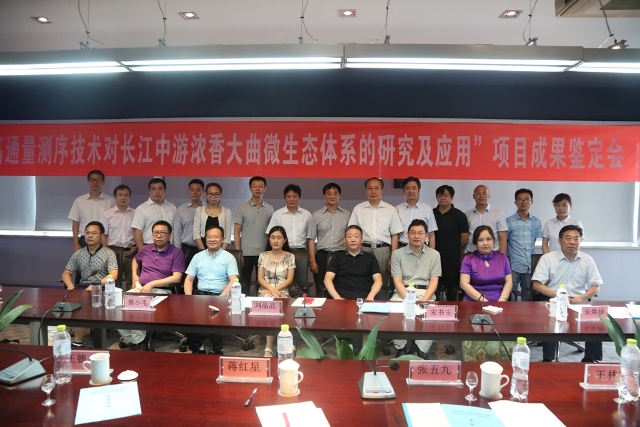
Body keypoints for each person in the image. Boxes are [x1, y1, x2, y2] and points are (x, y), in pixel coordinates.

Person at [532, 225, 603, 362]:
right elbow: (537, 284)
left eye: (576, 239)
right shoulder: (548, 258)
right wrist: (558, 296)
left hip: (578, 301)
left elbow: (596, 287)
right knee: (552, 319)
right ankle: (549, 359)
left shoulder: (587, 260)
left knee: (596, 320)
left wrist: (581, 298)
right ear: (560, 241)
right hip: (553, 299)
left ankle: (591, 360)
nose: (572, 242)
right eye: (568, 238)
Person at [119, 220, 185, 351]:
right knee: (117, 304)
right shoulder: (146, 249)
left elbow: (177, 278)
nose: (159, 236)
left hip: (162, 291)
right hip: (140, 287)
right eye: (156, 233)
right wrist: (134, 275)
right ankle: (133, 338)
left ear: (170, 235)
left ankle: (140, 342)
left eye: (163, 233)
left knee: (138, 305)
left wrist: (152, 284)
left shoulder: (177, 252)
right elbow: (135, 260)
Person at [61, 221, 118, 348]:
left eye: (94, 233)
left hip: (103, 288)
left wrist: (95, 285)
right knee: (77, 303)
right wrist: (70, 286)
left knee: (84, 304)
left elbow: (114, 275)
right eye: (87, 233)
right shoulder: (79, 253)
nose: (90, 236)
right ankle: (78, 342)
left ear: (101, 236)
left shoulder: (109, 253)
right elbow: (66, 273)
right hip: (81, 288)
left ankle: (84, 341)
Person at [183, 225, 238, 355]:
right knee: (188, 316)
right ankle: (197, 348)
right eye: (209, 236)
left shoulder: (229, 257)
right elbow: (189, 280)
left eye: (216, 237)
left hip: (220, 294)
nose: (212, 239)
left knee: (215, 316)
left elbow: (233, 280)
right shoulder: (197, 257)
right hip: (199, 295)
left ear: (222, 239)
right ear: (205, 238)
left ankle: (217, 349)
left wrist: (221, 298)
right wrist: (188, 297)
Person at [390, 219, 441, 358]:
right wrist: (408, 300)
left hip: (426, 293)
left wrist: (424, 300)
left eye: (420, 233)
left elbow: (434, 281)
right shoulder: (397, 254)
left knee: (433, 314)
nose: (416, 236)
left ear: (426, 236)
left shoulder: (434, 255)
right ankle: (400, 347)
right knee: (394, 310)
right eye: (413, 232)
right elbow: (397, 281)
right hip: (402, 293)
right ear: (408, 235)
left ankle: (418, 349)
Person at [348, 177, 403, 300]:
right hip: (363, 249)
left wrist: (392, 257)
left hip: (383, 250)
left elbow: (395, 235)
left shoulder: (390, 209)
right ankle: (362, 304)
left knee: (382, 280)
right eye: (370, 188)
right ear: (366, 191)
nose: (373, 191)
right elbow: (352, 230)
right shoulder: (358, 209)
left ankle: (381, 306)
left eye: (376, 188)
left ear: (382, 190)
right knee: (362, 279)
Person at [258, 226, 296, 357]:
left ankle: (286, 342)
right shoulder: (263, 256)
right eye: (273, 237)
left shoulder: (290, 256)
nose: (275, 241)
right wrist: (271, 290)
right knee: (268, 302)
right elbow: (260, 278)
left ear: (284, 240)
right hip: (265, 290)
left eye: (279, 238)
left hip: (283, 291)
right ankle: (269, 347)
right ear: (269, 239)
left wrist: (275, 290)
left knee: (279, 303)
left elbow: (289, 279)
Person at [309, 183, 350, 298]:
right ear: (324, 196)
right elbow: (311, 238)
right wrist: (312, 260)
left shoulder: (346, 214)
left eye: (335, 193)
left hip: (341, 255)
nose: (332, 196)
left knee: (340, 285)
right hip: (322, 256)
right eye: (329, 193)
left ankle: (340, 307)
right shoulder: (316, 215)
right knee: (321, 286)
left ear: (339, 196)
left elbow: (350, 236)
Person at [234, 176, 274, 296]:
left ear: (265, 189)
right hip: (246, 253)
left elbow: (273, 233)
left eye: (260, 186)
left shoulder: (270, 209)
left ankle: (260, 305)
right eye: (254, 186)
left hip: (264, 253)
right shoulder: (242, 208)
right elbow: (237, 231)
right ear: (250, 188)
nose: (257, 189)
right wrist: (239, 252)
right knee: (244, 284)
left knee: (262, 284)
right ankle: (243, 304)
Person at [324, 225, 382, 300]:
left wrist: (370, 297)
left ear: (362, 240)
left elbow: (378, 280)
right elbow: (327, 279)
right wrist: (337, 298)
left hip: (364, 298)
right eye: (349, 237)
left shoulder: (370, 258)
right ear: (345, 240)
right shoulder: (337, 257)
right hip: (341, 298)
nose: (353, 240)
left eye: (356, 236)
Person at [432, 185, 469, 302]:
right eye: (440, 195)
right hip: (434, 259)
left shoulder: (459, 215)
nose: (443, 198)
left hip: (453, 260)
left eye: (446, 195)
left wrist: (453, 248)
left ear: (452, 197)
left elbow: (464, 238)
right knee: (434, 290)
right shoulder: (431, 214)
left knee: (453, 292)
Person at [506, 188, 542, 301]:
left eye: (527, 199)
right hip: (513, 265)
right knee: (510, 294)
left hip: (529, 265)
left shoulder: (536, 221)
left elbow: (534, 241)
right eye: (520, 199)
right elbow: (505, 241)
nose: (523, 202)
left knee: (528, 296)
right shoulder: (508, 221)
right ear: (515, 202)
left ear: (532, 202)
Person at [460, 226, 513, 302]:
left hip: (499, 301)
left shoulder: (502, 258)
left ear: (493, 240)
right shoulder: (468, 259)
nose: (485, 243)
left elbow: (509, 281)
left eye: (488, 239)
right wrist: (483, 300)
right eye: (480, 240)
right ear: (475, 242)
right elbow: (464, 284)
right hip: (474, 301)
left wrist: (502, 299)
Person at [68, 170, 115, 252]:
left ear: (103, 182)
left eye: (98, 180)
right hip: (84, 240)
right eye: (92, 180)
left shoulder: (110, 201)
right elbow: (75, 222)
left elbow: (114, 222)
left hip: (103, 240)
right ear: (88, 181)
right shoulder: (80, 200)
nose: (95, 182)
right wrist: (75, 243)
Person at [100, 184, 136, 290]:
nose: (123, 198)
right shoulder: (107, 214)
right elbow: (103, 235)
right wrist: (108, 251)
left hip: (130, 251)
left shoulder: (136, 213)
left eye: (126, 195)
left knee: (131, 280)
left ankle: (130, 299)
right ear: (115, 197)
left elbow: (139, 233)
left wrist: (137, 247)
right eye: (120, 195)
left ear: (130, 197)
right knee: (113, 280)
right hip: (112, 251)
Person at [131, 178, 176, 250]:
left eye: (160, 189)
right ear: (149, 191)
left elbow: (176, 229)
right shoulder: (142, 208)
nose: (157, 192)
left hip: (169, 247)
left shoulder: (172, 208)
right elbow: (137, 231)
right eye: (153, 189)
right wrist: (142, 251)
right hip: (149, 247)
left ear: (165, 191)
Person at [265, 184, 314, 251]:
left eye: (294, 196)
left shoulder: (307, 215)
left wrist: (311, 255)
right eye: (288, 196)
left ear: (300, 198)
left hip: (301, 251)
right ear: (284, 198)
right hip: (282, 251)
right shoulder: (277, 214)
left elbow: (310, 237)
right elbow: (271, 235)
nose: (291, 199)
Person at [395, 177, 437, 249]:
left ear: (419, 190)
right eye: (408, 188)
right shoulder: (397, 209)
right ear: (404, 191)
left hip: (422, 248)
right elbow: (395, 234)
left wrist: (431, 253)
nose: (411, 191)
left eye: (414, 188)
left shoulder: (427, 209)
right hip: (402, 248)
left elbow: (431, 235)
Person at [465, 185, 508, 254]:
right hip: (472, 254)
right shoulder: (467, 215)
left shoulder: (498, 214)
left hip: (493, 254)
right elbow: (465, 237)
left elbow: (503, 238)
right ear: (473, 196)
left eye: (484, 193)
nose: (481, 196)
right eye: (478, 193)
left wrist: (502, 257)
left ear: (489, 196)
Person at [173, 179, 204, 270]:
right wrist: (178, 251)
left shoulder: (208, 208)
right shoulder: (181, 209)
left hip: (205, 248)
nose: (195, 192)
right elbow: (177, 231)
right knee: (186, 275)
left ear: (203, 191)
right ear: (188, 191)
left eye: (198, 190)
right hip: (187, 248)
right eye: (192, 190)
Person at [193, 182, 233, 250]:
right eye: (210, 194)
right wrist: (203, 252)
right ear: (206, 194)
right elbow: (196, 234)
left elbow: (227, 237)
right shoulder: (199, 210)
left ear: (220, 195)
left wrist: (221, 253)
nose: (213, 196)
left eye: (216, 194)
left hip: (221, 248)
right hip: (202, 247)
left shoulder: (226, 212)